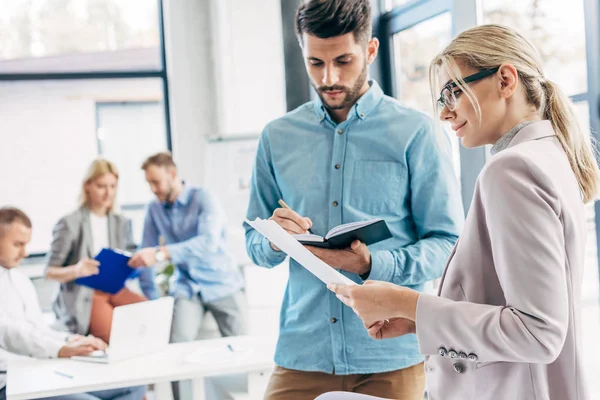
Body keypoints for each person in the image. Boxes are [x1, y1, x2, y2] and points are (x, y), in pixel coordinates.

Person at [327, 24, 599, 400]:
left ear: (506, 79)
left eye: (453, 91)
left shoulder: (512, 170)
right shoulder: (549, 157)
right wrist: (417, 321)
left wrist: (405, 302)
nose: (444, 113)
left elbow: (537, 332)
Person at [243, 0, 464, 399]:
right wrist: (273, 239)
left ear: (371, 51)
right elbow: (254, 243)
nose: (329, 77)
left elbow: (449, 245)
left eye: (343, 61)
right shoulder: (276, 137)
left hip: (392, 357)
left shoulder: (417, 133)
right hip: (302, 353)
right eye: (315, 63)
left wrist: (372, 264)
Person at [0, 207, 145, 400]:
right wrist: (60, 349)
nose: (25, 253)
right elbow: (9, 333)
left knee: (134, 387)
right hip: (11, 382)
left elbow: (37, 329)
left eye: (26, 245)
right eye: (18, 244)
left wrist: (72, 340)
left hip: (39, 369)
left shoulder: (20, 280)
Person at [129, 152, 246, 341]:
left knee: (240, 348)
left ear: (172, 174)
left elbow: (208, 243)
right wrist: (152, 300)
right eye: (149, 183)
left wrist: (162, 253)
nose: (152, 189)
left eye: (156, 182)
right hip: (188, 286)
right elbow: (146, 255)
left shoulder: (203, 198)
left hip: (222, 283)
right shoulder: (154, 209)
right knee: (177, 346)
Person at [45, 158, 157, 344]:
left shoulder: (121, 222)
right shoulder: (70, 223)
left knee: (150, 318)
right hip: (86, 293)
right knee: (117, 339)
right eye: (101, 186)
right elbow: (49, 272)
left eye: (112, 186)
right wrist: (76, 270)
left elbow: (128, 259)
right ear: (87, 186)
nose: (108, 193)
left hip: (115, 287)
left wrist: (135, 262)